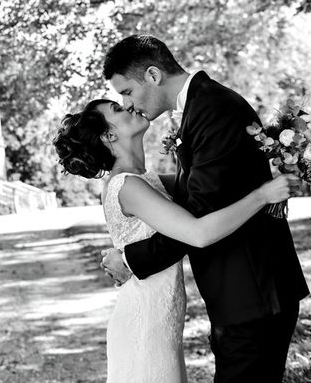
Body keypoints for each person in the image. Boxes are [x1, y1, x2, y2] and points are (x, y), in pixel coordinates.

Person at [97, 35, 308, 382]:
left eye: (127, 92)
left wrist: (131, 259)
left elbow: (198, 219)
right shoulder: (200, 105)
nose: (128, 103)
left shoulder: (211, 109)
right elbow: (205, 188)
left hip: (252, 293)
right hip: (242, 293)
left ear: (152, 75)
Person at [53, 98, 298, 382]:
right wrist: (263, 196)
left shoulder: (145, 180)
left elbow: (213, 188)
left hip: (163, 317)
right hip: (145, 320)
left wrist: (275, 155)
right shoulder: (127, 186)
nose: (129, 106)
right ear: (109, 135)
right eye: (118, 109)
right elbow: (199, 233)